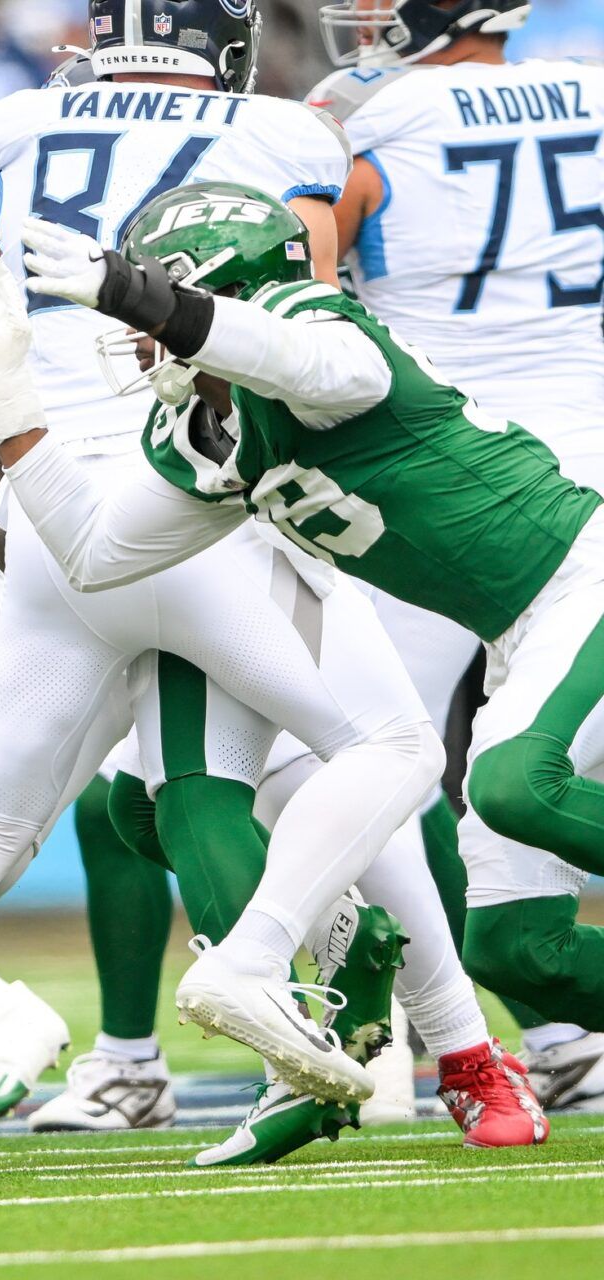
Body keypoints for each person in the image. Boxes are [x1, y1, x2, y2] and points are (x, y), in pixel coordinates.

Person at [0, 0, 452, 1180]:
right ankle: (382, 1013)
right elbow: (298, 325)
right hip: (195, 496)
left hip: (49, 490)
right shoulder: (281, 133)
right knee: (377, 746)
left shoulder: (21, 120)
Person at [0, 180, 593, 1145]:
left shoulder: (321, 324)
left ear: (215, 293)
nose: (135, 335)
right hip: (518, 633)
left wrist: (154, 301)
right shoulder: (210, 433)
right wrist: (10, 408)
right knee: (519, 949)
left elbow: (315, 365)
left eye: (152, 299)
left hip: (580, 574)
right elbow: (96, 558)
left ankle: (261, 953)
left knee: (508, 783)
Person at [309, 0, 604, 1113]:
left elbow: (300, 289)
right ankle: (522, 1036)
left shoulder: (370, 127)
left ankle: (402, 1031)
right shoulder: (592, 89)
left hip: (452, 487)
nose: (366, 14)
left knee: (365, 754)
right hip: (581, 461)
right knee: (517, 921)